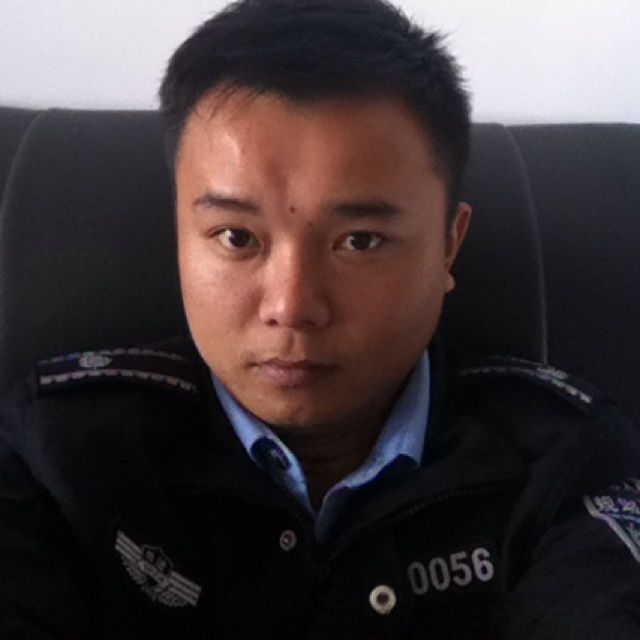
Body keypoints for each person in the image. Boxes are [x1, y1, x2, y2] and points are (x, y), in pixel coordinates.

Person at [1, 0, 640, 638]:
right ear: (179, 234)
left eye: (360, 241)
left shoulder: (563, 460)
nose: (292, 306)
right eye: (236, 237)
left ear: (449, 244)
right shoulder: (59, 452)